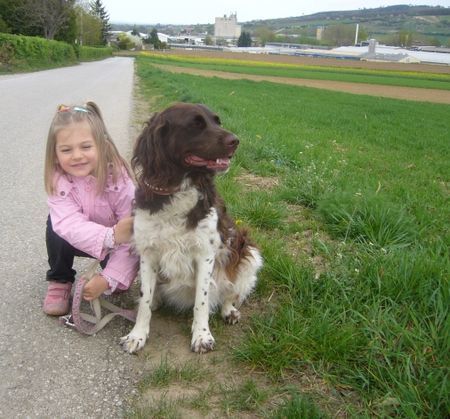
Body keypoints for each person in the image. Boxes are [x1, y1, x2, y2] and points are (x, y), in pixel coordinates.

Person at [43, 102, 139, 316]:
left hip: (117, 246)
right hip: (97, 238)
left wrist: (108, 279)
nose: (76, 156)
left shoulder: (120, 181)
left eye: (85, 147)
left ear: (102, 145)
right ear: (55, 153)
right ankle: (60, 279)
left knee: (119, 282)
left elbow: (132, 237)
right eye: (66, 150)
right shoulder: (58, 180)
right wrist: (110, 235)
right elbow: (67, 224)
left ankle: (110, 274)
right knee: (55, 223)